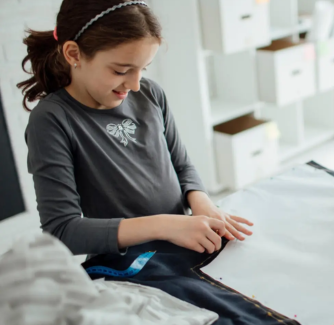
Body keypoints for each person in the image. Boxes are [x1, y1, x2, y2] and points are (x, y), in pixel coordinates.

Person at [19, 0, 253, 256]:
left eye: (143, 69)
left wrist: (202, 202)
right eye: (121, 71)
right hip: (126, 266)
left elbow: (182, 166)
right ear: (74, 54)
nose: (135, 85)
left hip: (182, 245)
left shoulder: (151, 94)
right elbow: (62, 232)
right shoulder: (52, 120)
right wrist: (165, 226)